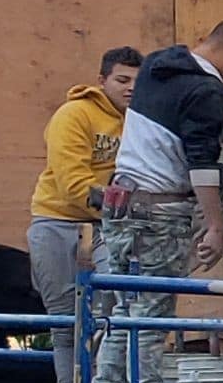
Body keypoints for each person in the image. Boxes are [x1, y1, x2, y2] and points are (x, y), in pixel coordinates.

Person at [87, 17, 223, 383]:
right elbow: (202, 165)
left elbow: (214, 92)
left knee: (124, 316)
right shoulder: (205, 93)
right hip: (159, 214)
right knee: (151, 320)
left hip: (121, 209)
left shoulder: (159, 66)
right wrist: (215, 225)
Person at [25, 47, 140, 319]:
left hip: (106, 224)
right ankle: (73, 362)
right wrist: (120, 209)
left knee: (118, 302)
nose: (131, 89)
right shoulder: (73, 114)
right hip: (56, 220)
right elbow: (72, 183)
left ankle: (106, 362)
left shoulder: (138, 121)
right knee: (64, 319)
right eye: (122, 81)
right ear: (102, 81)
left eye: (138, 82)